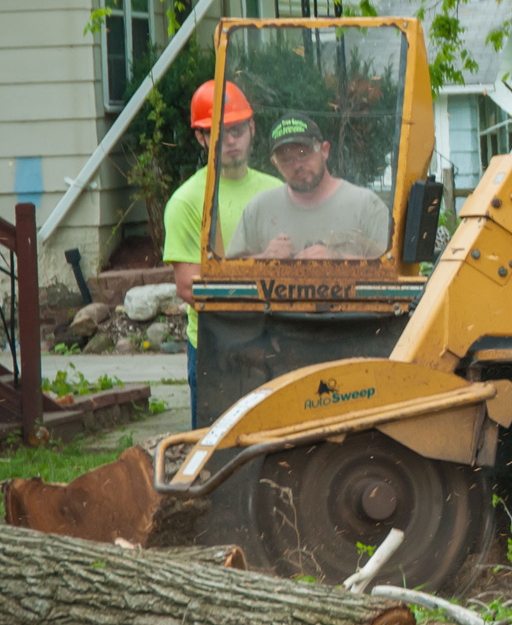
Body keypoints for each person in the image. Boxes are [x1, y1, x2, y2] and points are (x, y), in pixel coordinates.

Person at [163, 80, 281, 428]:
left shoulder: (277, 192)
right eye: (219, 133)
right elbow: (189, 287)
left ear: (252, 128)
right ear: (201, 138)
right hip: (215, 347)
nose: (230, 141)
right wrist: (259, 264)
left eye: (237, 130)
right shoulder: (186, 202)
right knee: (215, 455)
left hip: (275, 338)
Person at [226, 114, 393, 260]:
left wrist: (337, 259)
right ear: (275, 164)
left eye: (303, 153)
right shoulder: (259, 209)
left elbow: (394, 271)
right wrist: (265, 258)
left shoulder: (366, 206)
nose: (297, 165)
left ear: (325, 150)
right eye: (286, 159)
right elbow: (225, 274)